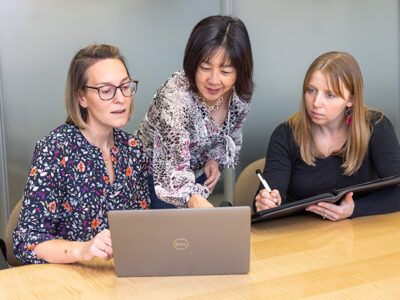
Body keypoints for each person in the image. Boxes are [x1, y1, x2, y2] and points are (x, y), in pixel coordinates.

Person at [13, 44, 150, 264]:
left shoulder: (134, 149)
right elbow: (26, 241)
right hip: (71, 284)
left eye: (125, 86)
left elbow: (142, 227)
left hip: (119, 277)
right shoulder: (55, 150)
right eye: (106, 90)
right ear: (82, 97)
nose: (121, 98)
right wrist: (82, 250)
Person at [254, 51, 400, 221]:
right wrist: (265, 202)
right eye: (311, 90)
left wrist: (354, 209)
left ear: (351, 99)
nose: (316, 103)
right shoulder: (286, 134)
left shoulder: (376, 127)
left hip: (362, 234)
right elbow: (265, 204)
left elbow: (397, 191)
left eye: (329, 95)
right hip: (303, 237)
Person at [135, 15, 254, 208]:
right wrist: (194, 199)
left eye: (225, 72)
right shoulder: (175, 97)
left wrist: (214, 160)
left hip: (194, 176)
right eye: (205, 67)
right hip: (155, 178)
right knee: (165, 236)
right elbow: (172, 169)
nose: (214, 80)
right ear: (192, 63)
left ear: (240, 70)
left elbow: (230, 137)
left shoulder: (239, 95)